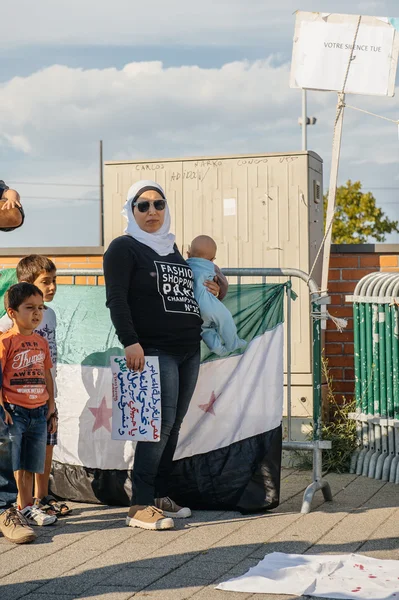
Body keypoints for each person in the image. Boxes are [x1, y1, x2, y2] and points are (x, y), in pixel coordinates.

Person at [103, 179, 226, 531]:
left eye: (158, 204)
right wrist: (130, 341)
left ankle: (158, 496)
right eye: (143, 205)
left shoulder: (172, 249)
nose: (152, 211)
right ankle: (139, 504)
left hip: (189, 348)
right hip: (153, 349)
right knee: (156, 427)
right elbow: (116, 299)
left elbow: (195, 289)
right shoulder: (123, 248)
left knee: (172, 426)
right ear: (131, 209)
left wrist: (219, 287)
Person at [0, 255, 71, 518]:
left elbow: (47, 361)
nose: (52, 287)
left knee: (45, 444)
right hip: (17, 399)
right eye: (45, 282)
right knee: (18, 450)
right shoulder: (8, 325)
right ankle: (22, 501)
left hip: (43, 392)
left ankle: (41, 497)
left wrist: (51, 400)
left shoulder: (48, 316)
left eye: (54, 281)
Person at [0, 283, 57, 534]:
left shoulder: (41, 342)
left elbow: (46, 374)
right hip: (16, 410)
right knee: (15, 461)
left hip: (39, 410)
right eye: (29, 308)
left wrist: (51, 405)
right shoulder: (6, 341)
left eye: (40, 308)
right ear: (12, 312)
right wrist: (2, 407)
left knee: (32, 463)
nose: (37, 313)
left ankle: (28, 505)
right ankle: (16, 507)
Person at [187, 235, 247, 356]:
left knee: (205, 329)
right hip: (208, 304)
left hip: (191, 308)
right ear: (212, 259)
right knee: (225, 319)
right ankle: (232, 343)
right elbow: (223, 283)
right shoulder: (212, 267)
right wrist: (220, 291)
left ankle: (217, 348)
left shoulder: (184, 265)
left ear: (188, 254)